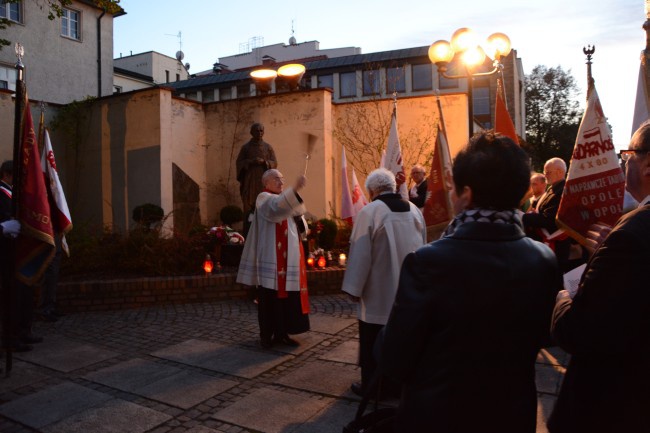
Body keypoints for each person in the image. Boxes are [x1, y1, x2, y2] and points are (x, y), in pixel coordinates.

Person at [378, 132, 562, 433]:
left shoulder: (428, 262)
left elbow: (394, 359)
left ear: (465, 194)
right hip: (511, 416)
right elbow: (545, 337)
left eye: (451, 188)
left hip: (438, 416)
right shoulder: (543, 260)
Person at [547, 121, 650, 433]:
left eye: (628, 154)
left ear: (648, 165)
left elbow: (576, 331)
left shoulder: (633, 234)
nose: (624, 162)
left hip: (617, 405)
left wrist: (563, 298)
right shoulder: (629, 235)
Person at [341, 168, 426, 398]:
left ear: (372, 191)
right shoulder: (415, 210)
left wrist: (353, 288)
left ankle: (374, 387)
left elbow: (360, 253)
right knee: (402, 338)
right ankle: (400, 385)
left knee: (374, 341)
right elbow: (425, 249)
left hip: (379, 291)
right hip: (408, 291)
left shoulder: (370, 212)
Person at [236, 169, 310, 349]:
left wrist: (300, 218)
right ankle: (266, 336)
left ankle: (282, 334)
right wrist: (295, 189)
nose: (281, 181)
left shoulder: (285, 199)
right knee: (269, 299)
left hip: (288, 259)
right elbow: (276, 209)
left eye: (282, 178)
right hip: (272, 259)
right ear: (266, 183)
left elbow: (301, 224)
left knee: (285, 300)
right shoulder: (264, 198)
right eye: (276, 178)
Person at [522, 157, 583, 272]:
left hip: (556, 244)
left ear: (560, 172)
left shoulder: (563, 191)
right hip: (548, 242)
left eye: (548, 172)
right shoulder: (553, 189)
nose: (545, 176)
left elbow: (549, 219)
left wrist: (523, 216)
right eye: (545, 172)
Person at [0, 160, 36, 353]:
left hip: (17, 253)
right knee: (10, 297)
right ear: (7, 174)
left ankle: (21, 331)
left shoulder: (12, 194)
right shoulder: (1, 193)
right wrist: (3, 228)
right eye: (16, 175)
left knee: (21, 293)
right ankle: (9, 336)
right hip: (5, 254)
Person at [235, 123, 278, 235]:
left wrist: (264, 162)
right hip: (250, 182)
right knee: (249, 208)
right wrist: (250, 162)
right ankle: (248, 234)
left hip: (264, 183)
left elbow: (275, 162)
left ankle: (265, 234)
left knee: (264, 207)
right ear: (252, 132)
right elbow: (239, 163)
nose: (259, 133)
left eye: (261, 131)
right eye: (257, 131)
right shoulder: (246, 148)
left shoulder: (268, 147)